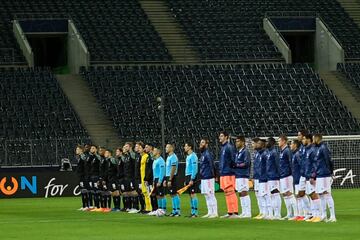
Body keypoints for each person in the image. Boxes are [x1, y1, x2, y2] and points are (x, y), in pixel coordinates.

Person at [313, 134, 336, 222]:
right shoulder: (318, 148)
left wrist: (330, 171)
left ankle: (333, 216)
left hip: (325, 174)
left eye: (314, 138)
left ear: (317, 138)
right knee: (321, 195)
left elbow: (329, 160)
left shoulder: (323, 147)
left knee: (327, 194)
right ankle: (323, 215)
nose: (313, 140)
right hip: (319, 174)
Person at [218, 131, 238, 218]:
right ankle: (230, 212)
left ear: (226, 137)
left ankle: (235, 212)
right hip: (223, 173)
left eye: (222, 136)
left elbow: (234, 159)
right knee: (226, 192)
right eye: (220, 136)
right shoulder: (223, 148)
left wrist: (231, 168)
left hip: (229, 173)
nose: (220, 137)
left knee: (231, 191)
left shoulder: (229, 147)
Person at [303, 134, 322, 222]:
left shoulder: (312, 150)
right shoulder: (307, 149)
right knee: (311, 195)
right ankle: (314, 215)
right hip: (307, 175)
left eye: (304, 138)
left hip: (312, 176)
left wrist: (313, 175)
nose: (303, 140)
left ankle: (318, 215)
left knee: (314, 194)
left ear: (309, 140)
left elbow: (315, 163)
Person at [278, 135, 298, 220]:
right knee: (284, 194)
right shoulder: (282, 151)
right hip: (282, 175)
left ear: (284, 141)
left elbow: (291, 163)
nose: (278, 142)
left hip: (287, 175)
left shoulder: (287, 151)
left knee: (289, 193)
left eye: (279, 141)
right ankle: (289, 214)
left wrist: (291, 174)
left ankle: (296, 214)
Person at [199, 138, 218, 218]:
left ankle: (215, 212)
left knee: (211, 194)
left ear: (206, 144)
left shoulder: (208, 154)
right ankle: (210, 212)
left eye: (203, 142)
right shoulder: (203, 154)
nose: (200, 144)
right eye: (200, 142)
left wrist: (215, 175)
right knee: (206, 195)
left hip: (209, 177)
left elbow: (212, 164)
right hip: (204, 177)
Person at [234, 136, 251, 218]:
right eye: (236, 141)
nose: (236, 143)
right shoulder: (238, 152)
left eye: (238, 141)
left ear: (243, 142)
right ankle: (244, 211)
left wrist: (237, 165)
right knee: (240, 193)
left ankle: (248, 212)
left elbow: (246, 163)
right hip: (238, 175)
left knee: (244, 192)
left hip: (243, 175)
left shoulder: (245, 152)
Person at [254, 139, 272, 220]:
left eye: (259, 143)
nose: (257, 145)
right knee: (261, 195)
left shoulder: (264, 154)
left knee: (266, 196)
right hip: (259, 177)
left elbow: (267, 166)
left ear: (263, 145)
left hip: (264, 178)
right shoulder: (258, 154)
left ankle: (269, 213)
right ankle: (263, 212)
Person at [266, 137, 282, 220]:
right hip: (270, 176)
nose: (266, 143)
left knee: (275, 194)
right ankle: (273, 214)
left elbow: (277, 164)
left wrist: (278, 175)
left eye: (267, 142)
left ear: (271, 143)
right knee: (272, 195)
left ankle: (278, 214)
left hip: (274, 176)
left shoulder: (274, 152)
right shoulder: (269, 152)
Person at [290, 139, 305, 221]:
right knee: (298, 197)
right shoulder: (294, 154)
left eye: (291, 144)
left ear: (295, 145)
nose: (290, 145)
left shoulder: (297, 154)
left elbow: (302, 165)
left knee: (300, 196)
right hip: (296, 178)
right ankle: (299, 215)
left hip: (299, 178)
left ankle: (304, 214)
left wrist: (301, 176)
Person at [135, 141, 152, 214]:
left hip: (145, 178)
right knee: (145, 193)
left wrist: (146, 178)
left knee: (148, 193)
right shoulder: (141, 157)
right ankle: (147, 208)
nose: (138, 149)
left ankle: (150, 208)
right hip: (142, 178)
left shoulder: (146, 156)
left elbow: (148, 168)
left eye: (140, 148)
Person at [164, 143, 180, 217]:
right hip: (168, 177)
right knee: (172, 194)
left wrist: (170, 179)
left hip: (172, 177)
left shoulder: (173, 157)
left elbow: (173, 168)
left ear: (171, 148)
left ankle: (177, 211)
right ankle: (174, 210)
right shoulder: (168, 157)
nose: (166, 148)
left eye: (167, 147)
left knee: (174, 194)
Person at [184, 142, 199, 218]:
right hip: (187, 176)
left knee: (193, 194)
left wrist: (192, 179)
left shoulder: (193, 156)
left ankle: (195, 212)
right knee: (190, 195)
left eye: (186, 146)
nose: (184, 147)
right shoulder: (188, 156)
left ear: (190, 147)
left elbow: (194, 169)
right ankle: (192, 211)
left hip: (191, 177)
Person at [152, 147, 166, 217]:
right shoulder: (155, 160)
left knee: (161, 195)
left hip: (159, 179)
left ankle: (163, 209)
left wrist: (160, 181)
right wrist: (154, 180)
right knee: (157, 195)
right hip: (156, 179)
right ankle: (159, 209)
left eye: (154, 150)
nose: (153, 152)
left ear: (158, 152)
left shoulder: (161, 160)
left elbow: (162, 171)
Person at [251, 137, 263, 218]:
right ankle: (261, 212)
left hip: (261, 177)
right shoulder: (256, 153)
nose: (252, 145)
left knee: (263, 195)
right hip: (256, 177)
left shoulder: (262, 153)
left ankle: (266, 212)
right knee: (257, 195)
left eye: (253, 143)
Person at [75, 145, 89, 211]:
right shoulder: (79, 157)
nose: (76, 150)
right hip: (80, 176)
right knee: (82, 191)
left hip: (83, 176)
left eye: (77, 149)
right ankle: (84, 206)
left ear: (81, 150)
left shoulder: (83, 157)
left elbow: (86, 167)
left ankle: (87, 206)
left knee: (85, 190)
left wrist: (86, 175)